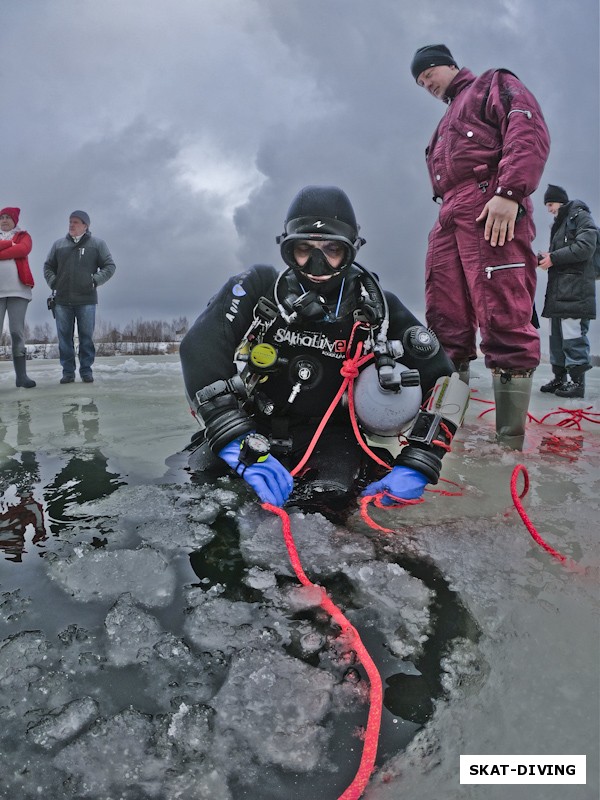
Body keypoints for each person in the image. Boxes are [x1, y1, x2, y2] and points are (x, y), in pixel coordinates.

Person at [179, 185, 469, 511]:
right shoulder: (259, 286)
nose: (317, 264)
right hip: (253, 424)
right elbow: (199, 346)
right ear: (286, 250)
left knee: (329, 504)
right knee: (195, 482)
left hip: (334, 437)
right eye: (303, 249)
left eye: (332, 249)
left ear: (352, 250)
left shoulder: (379, 308)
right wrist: (230, 433)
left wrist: (420, 460)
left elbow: (448, 384)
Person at [410, 44, 551, 449]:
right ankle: (443, 430)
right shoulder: (442, 125)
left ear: (447, 64)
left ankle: (509, 441)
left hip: (489, 199)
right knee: (445, 315)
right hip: (448, 213)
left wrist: (509, 192)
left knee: (502, 305)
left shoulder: (493, 83)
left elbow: (527, 128)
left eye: (428, 75)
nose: (427, 85)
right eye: (420, 84)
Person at [537, 184, 596, 398]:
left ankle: (577, 383)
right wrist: (547, 257)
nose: (549, 209)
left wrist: (553, 257)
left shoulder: (580, 217)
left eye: (550, 204)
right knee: (556, 336)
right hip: (559, 292)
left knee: (572, 335)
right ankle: (560, 378)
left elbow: (586, 247)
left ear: (560, 201)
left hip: (575, 291)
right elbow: (561, 254)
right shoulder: (561, 223)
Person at [43, 211, 116, 383]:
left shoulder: (97, 244)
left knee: (86, 338)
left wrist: (95, 280)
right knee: (64, 339)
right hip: (62, 300)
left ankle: (86, 371)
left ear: (85, 225)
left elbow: (110, 266)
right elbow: (48, 266)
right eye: (70, 222)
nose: (71, 225)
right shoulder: (58, 245)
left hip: (86, 301)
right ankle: (68, 373)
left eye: (76, 222)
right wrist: (54, 283)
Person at [0, 207, 36, 388]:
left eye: (8, 218)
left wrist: (7, 248)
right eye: (2, 217)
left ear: (14, 220)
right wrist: (9, 246)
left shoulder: (23, 235)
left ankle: (21, 377)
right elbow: (15, 250)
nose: (4, 220)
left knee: (16, 332)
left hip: (18, 292)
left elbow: (23, 250)